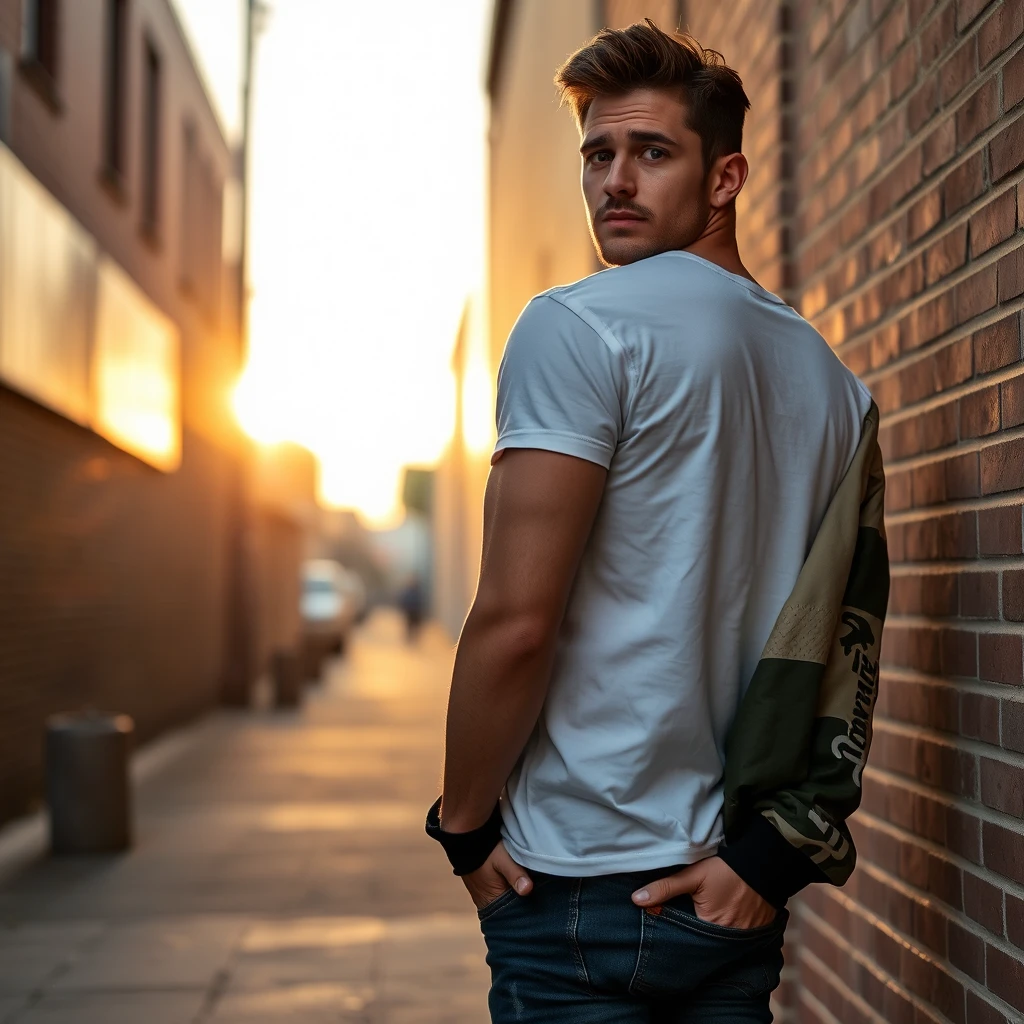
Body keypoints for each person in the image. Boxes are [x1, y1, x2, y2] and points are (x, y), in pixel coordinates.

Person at [426, 20, 887, 1023]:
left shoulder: (577, 325)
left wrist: (461, 826)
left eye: (651, 152)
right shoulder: (834, 386)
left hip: (577, 884)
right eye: (597, 153)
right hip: (727, 887)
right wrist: (765, 863)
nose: (613, 182)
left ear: (726, 178)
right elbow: (845, 650)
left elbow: (513, 620)